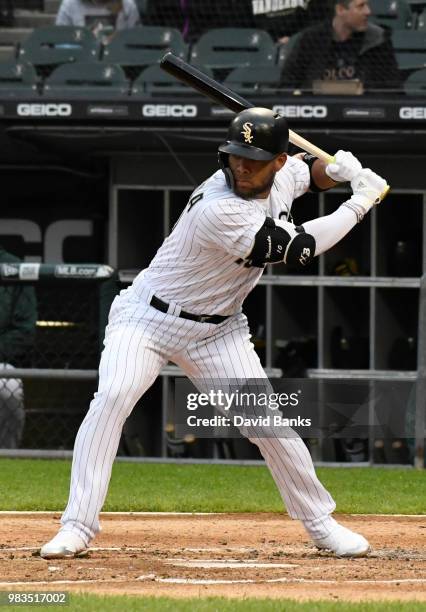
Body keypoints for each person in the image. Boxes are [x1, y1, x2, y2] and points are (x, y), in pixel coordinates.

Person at [40, 107, 388, 560]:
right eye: (235, 155)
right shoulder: (219, 206)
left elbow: (311, 175)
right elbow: (297, 248)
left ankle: (322, 525)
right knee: (112, 398)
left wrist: (336, 170)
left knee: (268, 425)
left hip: (218, 332)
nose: (241, 166)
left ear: (279, 161)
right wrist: (359, 202)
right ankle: (77, 526)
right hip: (147, 320)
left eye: (254, 158)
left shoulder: (283, 175)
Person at [280, 0, 401, 92]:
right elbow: (287, 84)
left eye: (367, 5)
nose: (368, 11)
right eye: (361, 6)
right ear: (340, 10)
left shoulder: (377, 40)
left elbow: (391, 89)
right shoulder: (310, 40)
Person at [0, 246, 37, 448]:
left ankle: (6, 457)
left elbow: (24, 332)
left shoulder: (14, 267)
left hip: (0, 364)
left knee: (9, 389)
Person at [56, 0, 140, 36]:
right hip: (79, 62)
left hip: (118, 61)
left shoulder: (127, 4)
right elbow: (60, 39)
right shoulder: (70, 4)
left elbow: (135, 40)